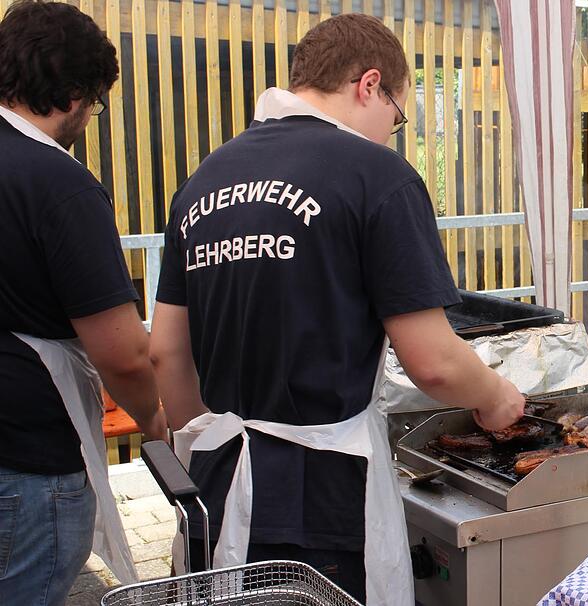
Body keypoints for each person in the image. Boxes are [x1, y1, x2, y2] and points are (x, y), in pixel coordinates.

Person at [149, 13, 524, 604]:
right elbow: (434, 364)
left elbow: (166, 352)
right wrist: (498, 397)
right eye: (396, 119)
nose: (389, 134)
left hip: (218, 477)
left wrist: (217, 439)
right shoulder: (377, 175)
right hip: (324, 491)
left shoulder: (202, 181)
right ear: (369, 85)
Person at [0, 1, 168, 603]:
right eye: (95, 104)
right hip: (27, 455)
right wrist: (154, 419)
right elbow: (122, 353)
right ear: (74, 93)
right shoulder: (59, 184)